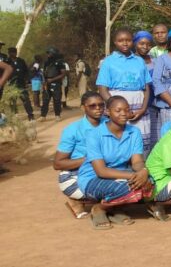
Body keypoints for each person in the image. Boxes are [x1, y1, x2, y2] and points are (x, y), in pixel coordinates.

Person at [76, 95, 150, 230]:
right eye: (118, 110)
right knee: (127, 187)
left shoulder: (134, 132)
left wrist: (143, 171)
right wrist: (134, 176)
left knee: (150, 182)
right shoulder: (94, 134)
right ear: (108, 112)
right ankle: (100, 208)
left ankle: (114, 209)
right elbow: (101, 171)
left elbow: (137, 161)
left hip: (121, 175)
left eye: (127, 110)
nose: (123, 114)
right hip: (93, 178)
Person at [96, 28, 153, 154]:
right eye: (121, 41)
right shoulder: (108, 62)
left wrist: (143, 108)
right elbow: (102, 88)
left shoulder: (139, 61)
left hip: (138, 104)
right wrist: (115, 106)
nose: (125, 43)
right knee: (119, 136)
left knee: (139, 139)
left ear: (132, 41)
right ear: (115, 42)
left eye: (128, 40)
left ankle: (140, 167)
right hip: (116, 103)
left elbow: (146, 87)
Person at [55, 91, 105, 218]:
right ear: (83, 107)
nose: (98, 108)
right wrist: (92, 160)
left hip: (107, 169)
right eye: (92, 106)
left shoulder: (110, 124)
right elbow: (58, 163)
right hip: (77, 174)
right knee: (113, 190)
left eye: (101, 105)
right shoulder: (72, 130)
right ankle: (79, 201)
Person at [4, 47, 34, 121]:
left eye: (14, 52)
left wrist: (27, 80)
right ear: (9, 53)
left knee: (26, 100)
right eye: (11, 52)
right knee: (12, 101)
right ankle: (15, 116)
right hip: (11, 85)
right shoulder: (6, 62)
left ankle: (30, 115)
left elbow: (26, 71)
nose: (13, 53)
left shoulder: (21, 61)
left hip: (21, 84)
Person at [40, 47, 67, 120]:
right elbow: (44, 72)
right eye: (47, 53)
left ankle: (57, 115)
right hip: (47, 83)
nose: (48, 55)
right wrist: (44, 82)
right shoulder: (46, 62)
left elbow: (63, 74)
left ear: (54, 53)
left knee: (57, 100)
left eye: (49, 53)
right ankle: (43, 116)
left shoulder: (60, 62)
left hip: (56, 83)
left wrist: (52, 79)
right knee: (45, 100)